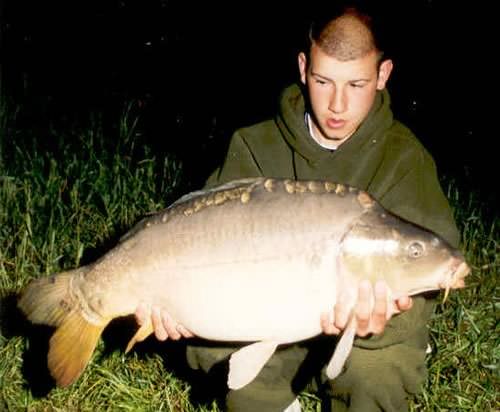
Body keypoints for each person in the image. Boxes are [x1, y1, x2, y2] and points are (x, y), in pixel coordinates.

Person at [135, 3, 460, 411]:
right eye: (324, 81)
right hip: (275, 313)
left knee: (376, 373)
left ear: (383, 75)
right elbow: (201, 243)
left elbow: (427, 270)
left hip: (363, 334)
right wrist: (175, 307)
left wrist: (386, 321)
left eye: (356, 85)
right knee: (213, 351)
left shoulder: (404, 159)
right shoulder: (254, 145)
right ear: (304, 68)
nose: (337, 104)